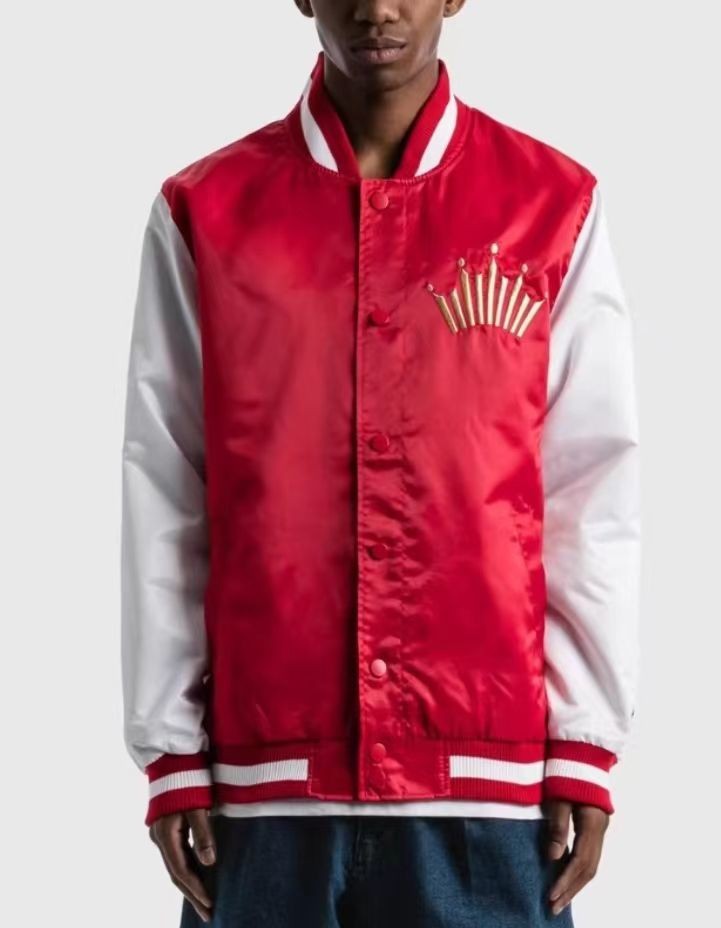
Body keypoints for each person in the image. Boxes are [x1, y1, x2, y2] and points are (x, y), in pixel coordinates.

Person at [120, 1, 641, 925]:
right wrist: (170, 750)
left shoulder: (550, 205)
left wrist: (584, 742)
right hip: (262, 788)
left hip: (491, 788)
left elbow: (587, 490)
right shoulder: (206, 210)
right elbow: (167, 488)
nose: (376, 8)